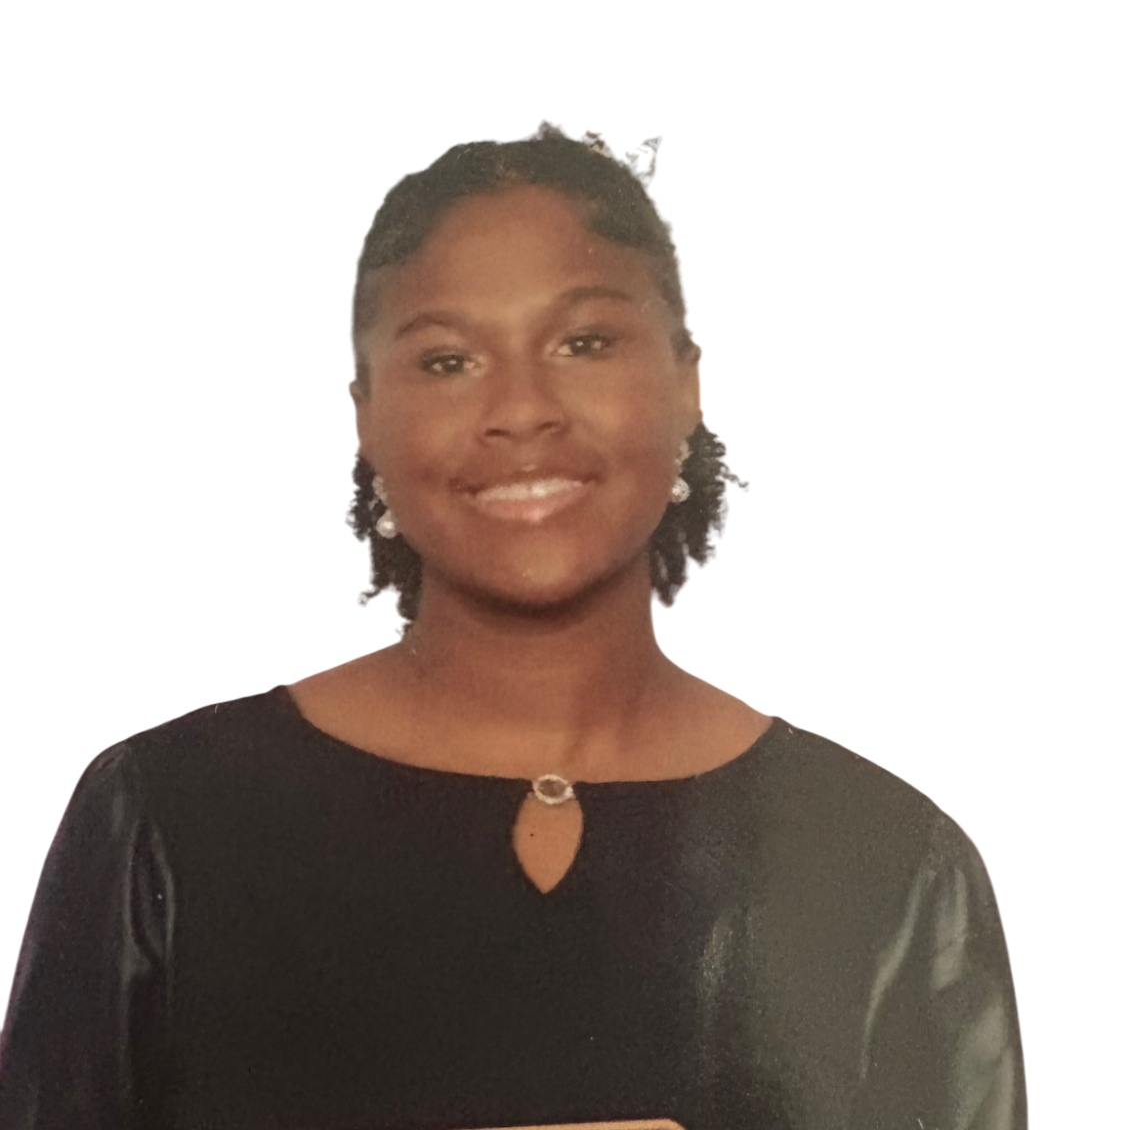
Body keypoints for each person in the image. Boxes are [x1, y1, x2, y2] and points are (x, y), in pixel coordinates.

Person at [0, 125, 1026, 1130]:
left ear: (685, 381)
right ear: (366, 415)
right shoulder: (166, 821)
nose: (523, 409)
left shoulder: (887, 862)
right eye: (448, 360)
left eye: (585, 343)